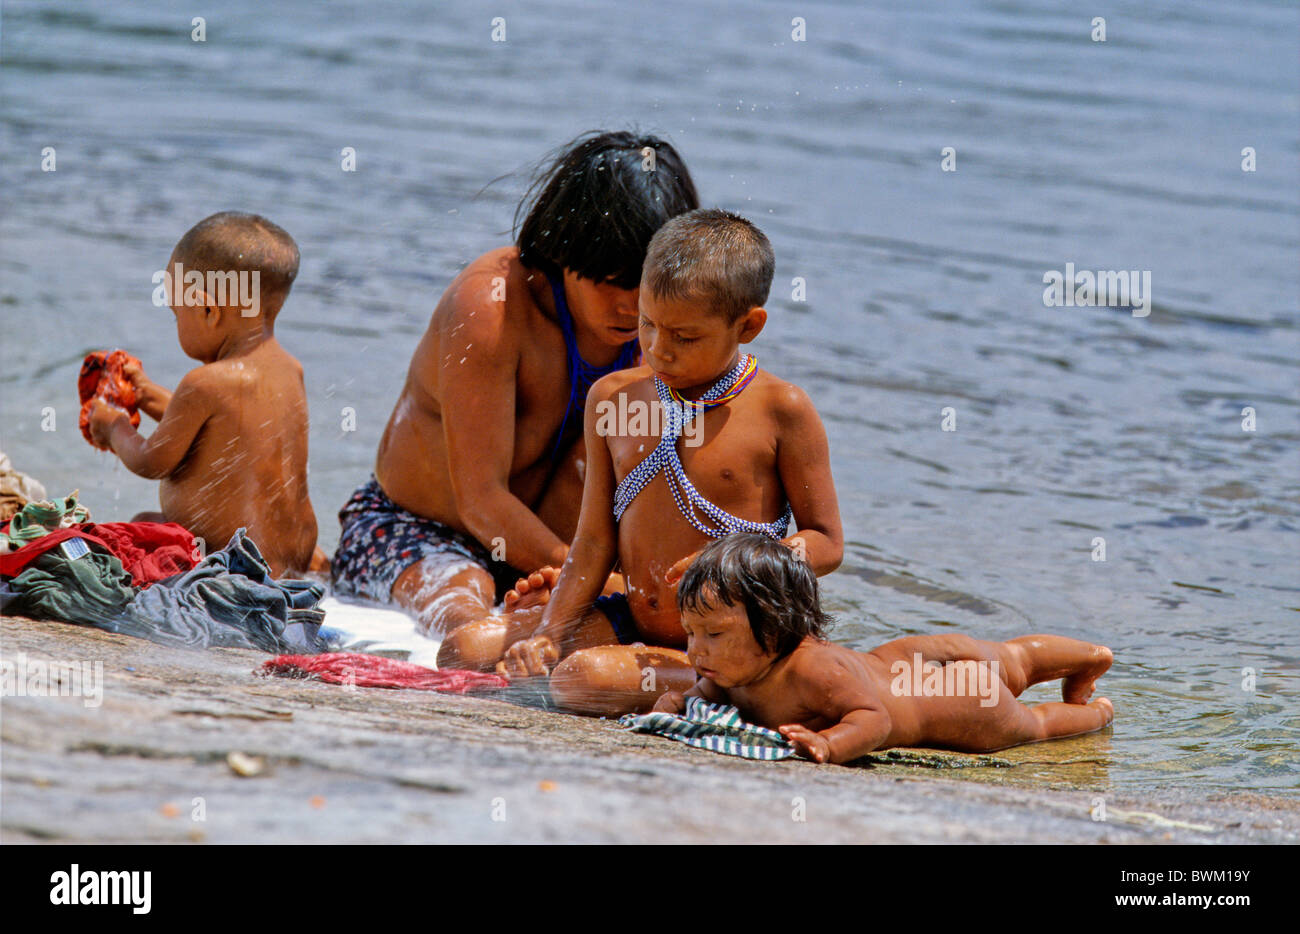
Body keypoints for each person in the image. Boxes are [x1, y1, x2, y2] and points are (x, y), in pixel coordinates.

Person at [330, 130, 699, 657]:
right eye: (610, 281)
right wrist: (591, 583)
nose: (630, 306)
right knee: (465, 608)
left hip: (555, 556)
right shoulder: (493, 305)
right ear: (564, 250)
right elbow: (481, 499)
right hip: (416, 531)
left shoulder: (665, 330)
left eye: (648, 284)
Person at [486, 209, 844, 716]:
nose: (658, 349)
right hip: (632, 620)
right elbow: (593, 541)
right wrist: (549, 633)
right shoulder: (613, 400)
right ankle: (640, 671)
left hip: (734, 646)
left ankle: (745, 686)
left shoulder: (781, 410)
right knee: (469, 649)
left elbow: (827, 544)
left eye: (685, 337)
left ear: (748, 325)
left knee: (580, 681)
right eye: (647, 324)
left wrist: (733, 568)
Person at [656, 533, 1115, 762]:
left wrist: (830, 744)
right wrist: (680, 703)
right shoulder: (731, 672)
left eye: (713, 635)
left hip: (959, 703)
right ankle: (1087, 657)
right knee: (1014, 656)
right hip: (905, 659)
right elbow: (706, 697)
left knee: (1033, 723)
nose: (696, 651)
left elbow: (875, 719)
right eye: (691, 633)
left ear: (774, 630)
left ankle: (1097, 709)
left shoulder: (813, 670)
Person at [88, 211, 322, 578]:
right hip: (289, 559)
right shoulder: (291, 371)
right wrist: (146, 395)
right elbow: (220, 431)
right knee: (153, 521)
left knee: (137, 532)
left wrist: (114, 426)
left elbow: (153, 461)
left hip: (229, 564)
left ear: (208, 310)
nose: (176, 322)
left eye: (176, 313)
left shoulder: (205, 382)